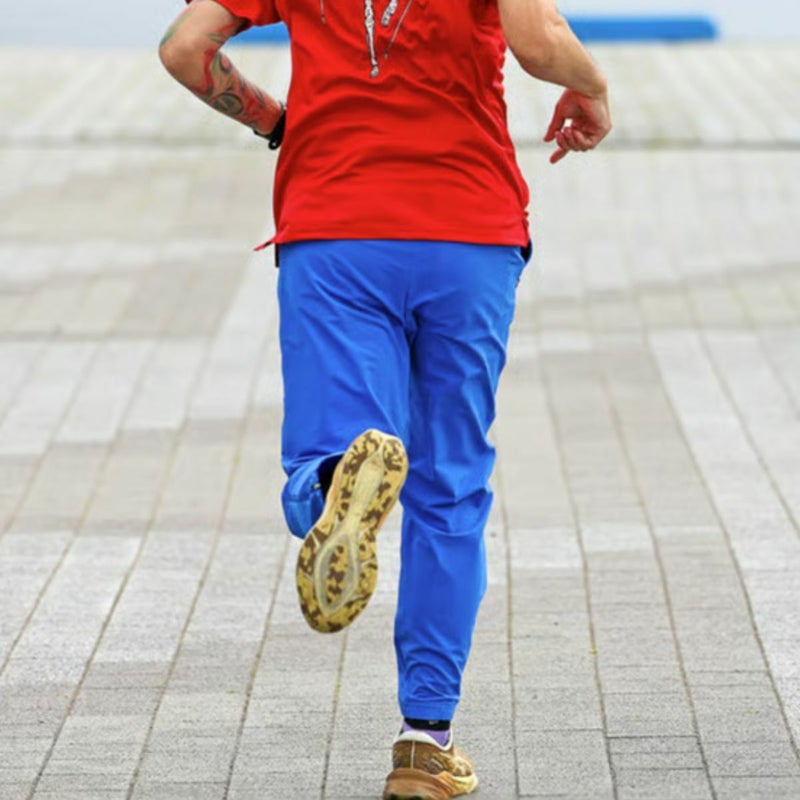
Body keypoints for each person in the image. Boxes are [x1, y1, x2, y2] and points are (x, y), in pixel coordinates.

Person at [159, 0, 611, 796]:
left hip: (335, 231)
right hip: (468, 235)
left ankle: (336, 482)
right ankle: (425, 742)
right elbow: (540, 44)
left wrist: (276, 122)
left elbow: (185, 47)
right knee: (450, 490)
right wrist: (594, 90)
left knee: (329, 446)